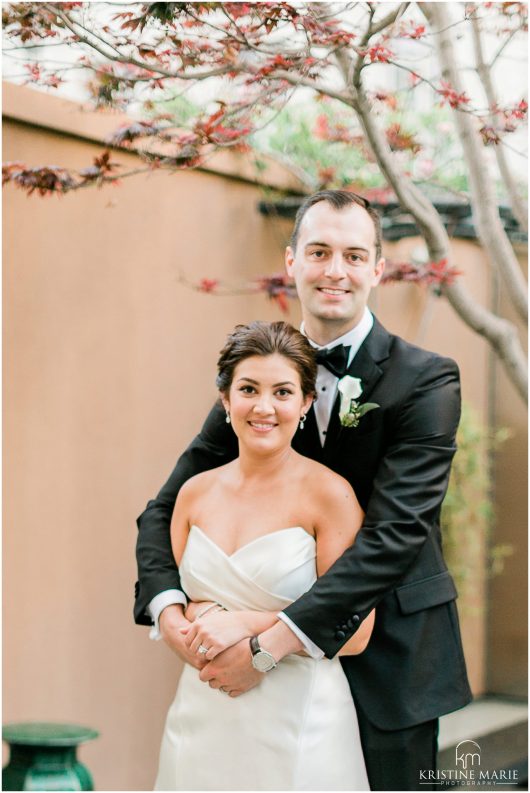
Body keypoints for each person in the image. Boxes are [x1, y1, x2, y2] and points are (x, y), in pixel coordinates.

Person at [136, 189, 472, 791]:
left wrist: (264, 645)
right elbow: (166, 506)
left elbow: (393, 535)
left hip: (392, 658)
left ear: (378, 268)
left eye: (352, 255)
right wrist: (172, 615)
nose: (334, 270)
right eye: (318, 251)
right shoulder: (263, 382)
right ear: (291, 262)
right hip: (255, 684)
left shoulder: (425, 381)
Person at [155, 321, 373, 790]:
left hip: (300, 721)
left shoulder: (330, 496)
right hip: (202, 714)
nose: (264, 407)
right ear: (225, 399)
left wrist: (249, 622)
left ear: (306, 403)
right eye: (249, 389)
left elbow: (356, 634)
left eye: (283, 391)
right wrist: (197, 613)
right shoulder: (193, 495)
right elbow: (182, 595)